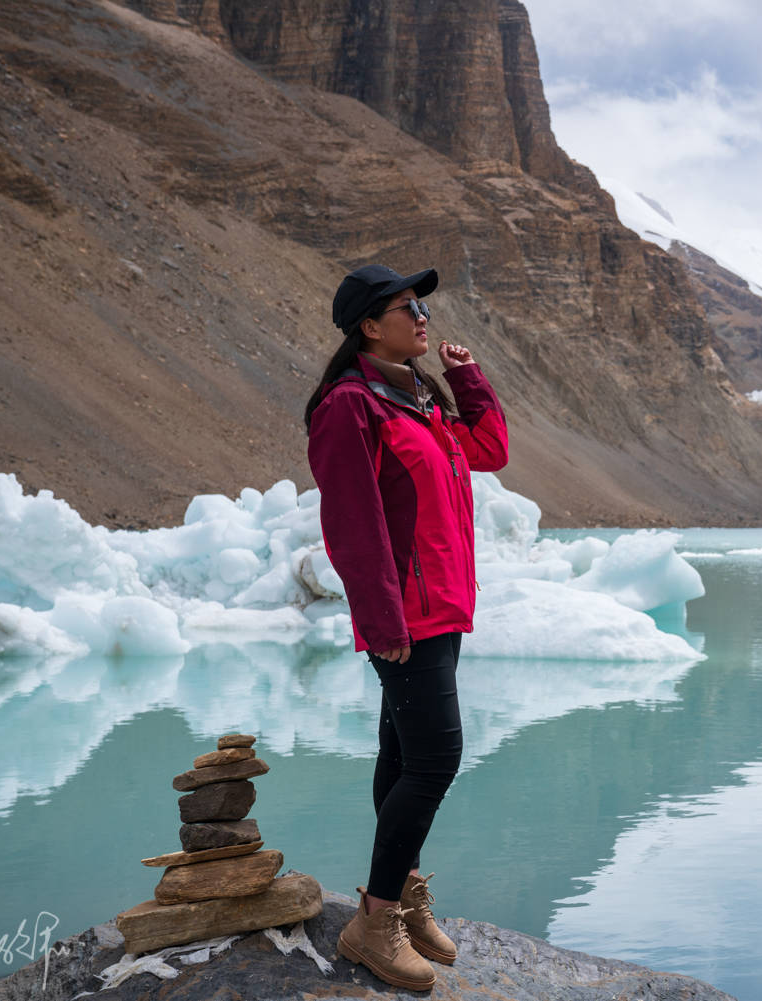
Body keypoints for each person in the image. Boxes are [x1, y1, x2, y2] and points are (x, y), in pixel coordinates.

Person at [305, 263, 507, 991]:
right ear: (369, 324)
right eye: (406, 307)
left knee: (403, 748)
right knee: (434, 758)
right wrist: (383, 616)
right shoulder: (350, 407)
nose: (422, 316)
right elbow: (352, 525)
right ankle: (375, 921)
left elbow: (489, 451)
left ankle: (402, 892)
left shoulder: (417, 398)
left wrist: (472, 379)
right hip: (407, 616)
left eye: (422, 305)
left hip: (441, 605)